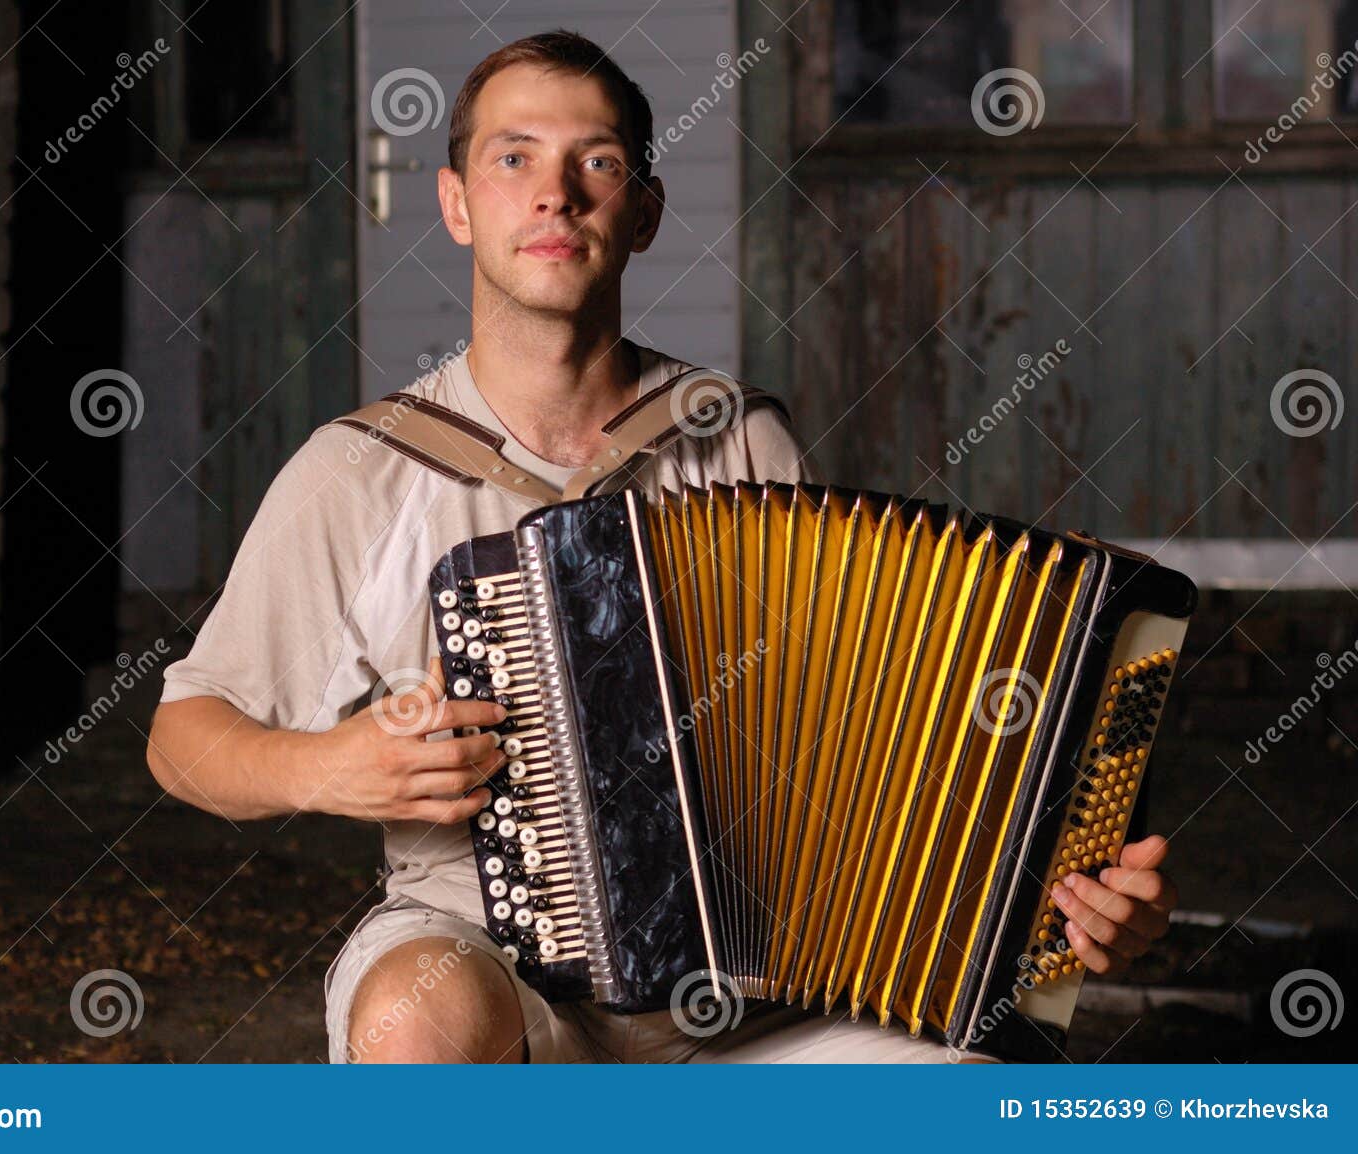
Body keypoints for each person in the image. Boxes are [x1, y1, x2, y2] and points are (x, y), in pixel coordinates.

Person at [146, 29, 1177, 1063]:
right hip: (490, 960)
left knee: (990, 1086)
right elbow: (184, 735)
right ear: (457, 204)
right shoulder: (360, 471)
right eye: (513, 158)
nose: (555, 193)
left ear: (642, 212)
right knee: (412, 1021)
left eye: (595, 161)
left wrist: (1053, 893)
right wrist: (329, 765)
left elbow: (855, 731)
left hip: (759, 976)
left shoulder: (735, 434)